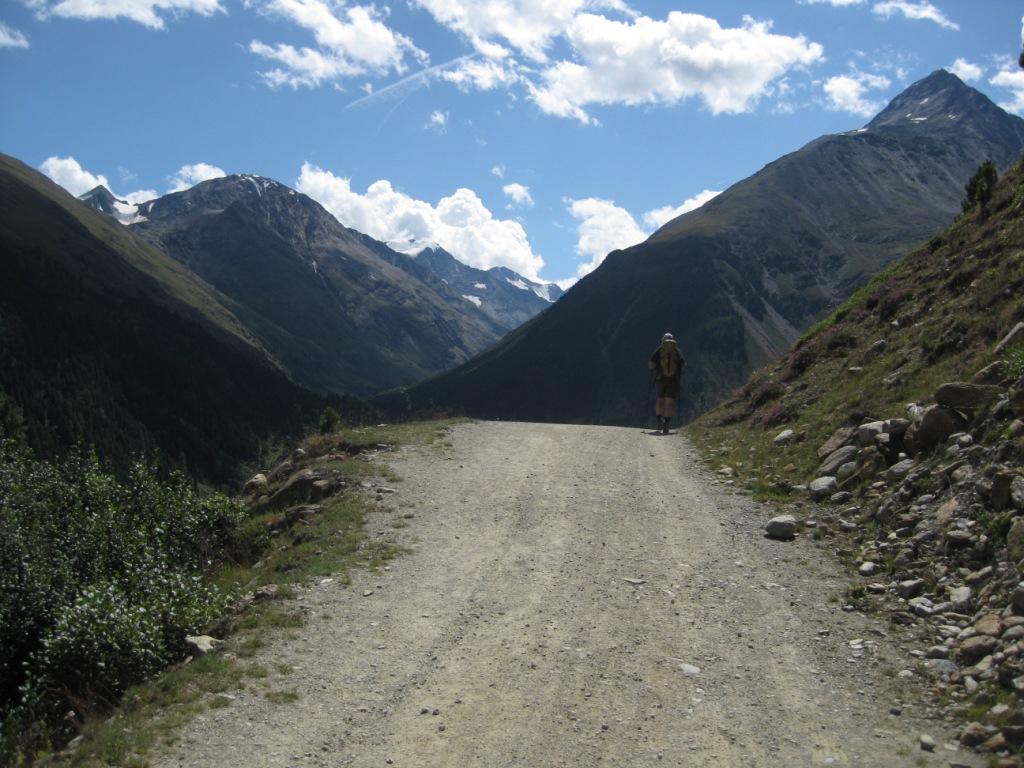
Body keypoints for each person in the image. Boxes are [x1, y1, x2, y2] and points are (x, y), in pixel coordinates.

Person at [648, 332, 685, 434]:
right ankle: (667, 425)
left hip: (660, 379)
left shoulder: (659, 350)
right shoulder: (676, 351)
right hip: (673, 381)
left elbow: (651, 364)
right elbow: (683, 365)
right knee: (669, 402)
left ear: (662, 340)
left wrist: (656, 367)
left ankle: (659, 420)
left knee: (660, 400)